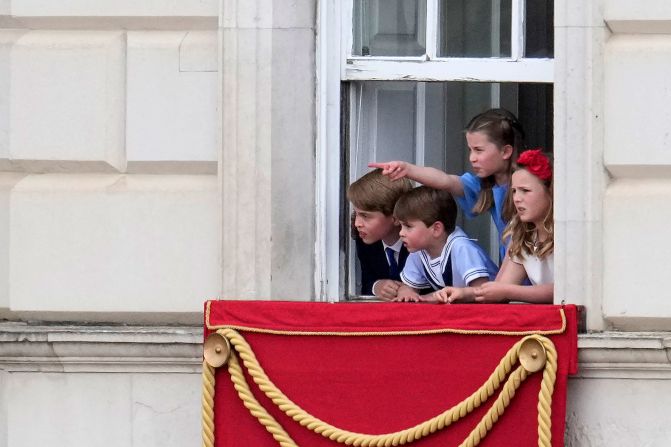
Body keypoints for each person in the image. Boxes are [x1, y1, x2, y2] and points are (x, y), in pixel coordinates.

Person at [369, 108, 525, 262]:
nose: (472, 158)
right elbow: (446, 181)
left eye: (479, 150)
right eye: (470, 150)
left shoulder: (530, 186)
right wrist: (407, 169)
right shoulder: (485, 185)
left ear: (505, 152)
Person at [436, 149, 554, 304]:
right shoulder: (521, 232)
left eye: (525, 191)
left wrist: (507, 291)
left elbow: (564, 290)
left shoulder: (569, 232)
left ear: (551, 192)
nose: (517, 199)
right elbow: (502, 286)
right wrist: (465, 293)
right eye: (514, 191)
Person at [391, 186, 498, 302]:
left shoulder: (462, 248)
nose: (401, 233)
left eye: (408, 226)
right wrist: (406, 293)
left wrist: (431, 297)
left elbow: (481, 291)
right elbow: (408, 287)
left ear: (436, 229)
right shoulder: (418, 252)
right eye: (401, 226)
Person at [347, 168, 413, 298]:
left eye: (365, 216)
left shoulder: (419, 244)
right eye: (356, 214)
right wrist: (376, 286)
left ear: (395, 218)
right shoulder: (365, 240)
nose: (357, 223)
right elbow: (367, 280)